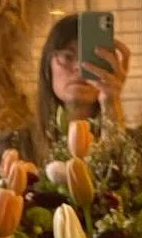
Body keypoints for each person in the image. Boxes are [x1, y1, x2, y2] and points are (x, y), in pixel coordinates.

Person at [28, 12, 132, 158]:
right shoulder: (13, 146)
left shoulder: (134, 145)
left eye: (91, 59)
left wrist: (111, 102)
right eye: (67, 57)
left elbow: (121, 175)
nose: (78, 67)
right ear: (47, 67)